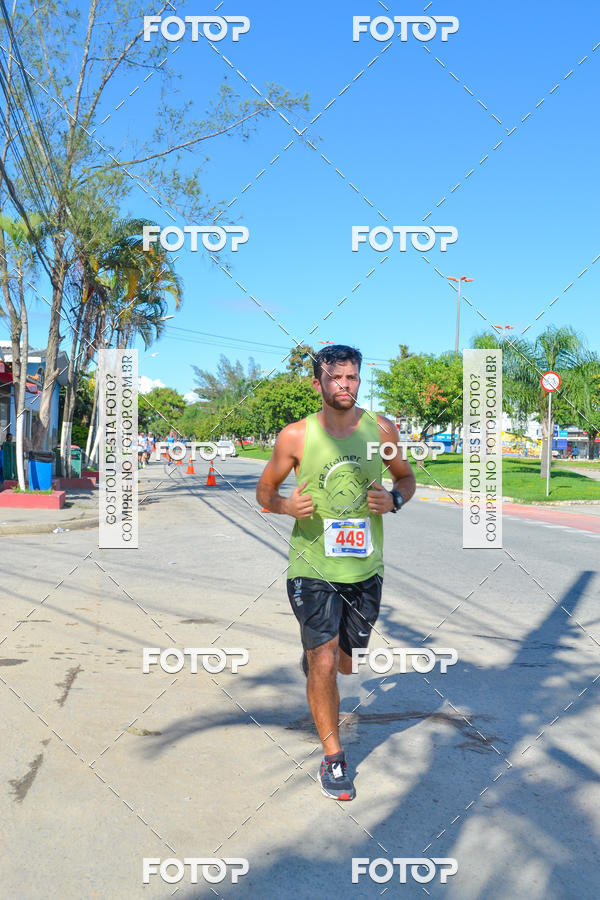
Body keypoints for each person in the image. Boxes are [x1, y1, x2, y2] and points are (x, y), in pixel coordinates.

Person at [256, 345, 415, 801]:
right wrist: (285, 504)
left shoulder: (380, 430)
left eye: (352, 377)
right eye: (336, 378)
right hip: (311, 567)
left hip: (365, 568)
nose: (345, 385)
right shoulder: (295, 437)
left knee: (347, 661)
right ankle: (333, 759)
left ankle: (321, 661)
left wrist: (396, 499)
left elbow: (404, 477)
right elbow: (264, 491)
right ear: (318, 384)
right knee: (324, 658)